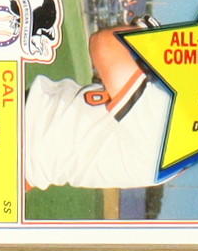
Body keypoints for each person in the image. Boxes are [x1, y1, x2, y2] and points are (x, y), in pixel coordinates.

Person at [25, 23, 171, 191]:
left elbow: (105, 44)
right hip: (28, 151)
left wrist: (151, 35)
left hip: (22, 142)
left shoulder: (165, 134)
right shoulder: (170, 135)